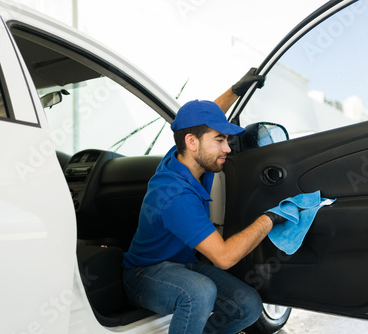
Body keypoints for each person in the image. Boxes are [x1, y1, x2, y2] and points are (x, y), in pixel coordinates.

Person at [122, 68, 285, 334]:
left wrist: (234, 91)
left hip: (182, 265)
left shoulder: (186, 156)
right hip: (144, 276)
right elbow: (224, 257)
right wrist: (268, 219)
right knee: (198, 292)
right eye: (220, 140)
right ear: (193, 143)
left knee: (248, 306)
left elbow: (198, 124)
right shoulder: (174, 194)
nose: (228, 148)